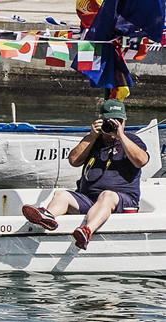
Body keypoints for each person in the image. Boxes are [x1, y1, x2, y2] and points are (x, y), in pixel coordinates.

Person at [21, 99, 149, 250]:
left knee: (106, 195)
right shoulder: (93, 140)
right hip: (89, 199)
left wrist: (120, 135)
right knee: (61, 194)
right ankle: (47, 217)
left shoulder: (132, 141)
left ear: (124, 121)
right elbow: (74, 160)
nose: (114, 125)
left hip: (121, 200)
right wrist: (91, 136)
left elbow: (141, 161)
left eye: (119, 121)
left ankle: (87, 231)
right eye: (110, 121)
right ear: (101, 120)